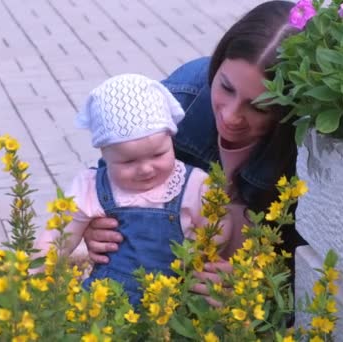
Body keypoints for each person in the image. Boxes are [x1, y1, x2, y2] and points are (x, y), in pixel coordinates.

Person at [82, 0, 307, 301]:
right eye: (226, 88)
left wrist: (260, 287)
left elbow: (302, 270)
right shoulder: (178, 98)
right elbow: (107, 177)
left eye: (258, 106)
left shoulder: (303, 150)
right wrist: (95, 225)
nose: (230, 116)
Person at [35, 73, 232, 305]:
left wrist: (203, 251)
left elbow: (220, 228)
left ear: (171, 139)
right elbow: (57, 235)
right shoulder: (90, 186)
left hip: (175, 300)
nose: (146, 169)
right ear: (104, 155)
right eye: (128, 162)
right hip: (109, 300)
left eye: (159, 154)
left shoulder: (194, 184)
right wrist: (32, 274)